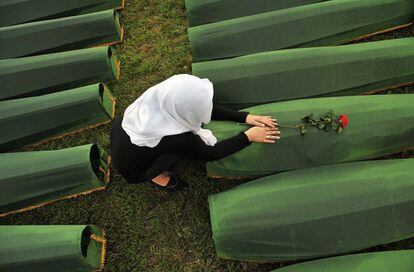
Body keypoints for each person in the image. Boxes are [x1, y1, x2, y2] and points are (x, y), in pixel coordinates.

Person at [110, 74, 280, 189]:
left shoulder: (159, 98)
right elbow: (209, 153)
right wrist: (248, 136)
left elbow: (201, 108)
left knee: (169, 148)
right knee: (179, 153)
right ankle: (155, 176)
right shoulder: (179, 139)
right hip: (133, 168)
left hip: (123, 133)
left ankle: (149, 162)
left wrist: (244, 117)